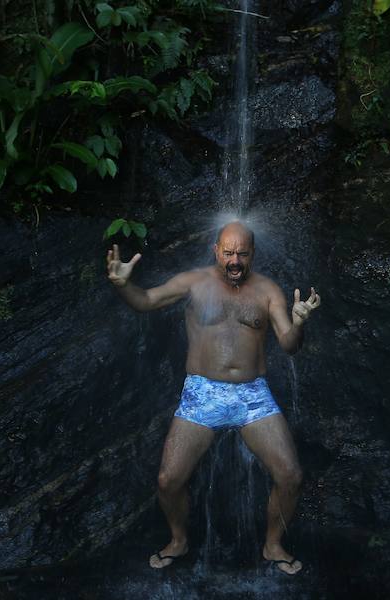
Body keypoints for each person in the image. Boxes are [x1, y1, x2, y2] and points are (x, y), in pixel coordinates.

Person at [106, 221, 321, 575]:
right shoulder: (194, 282)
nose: (235, 260)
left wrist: (298, 323)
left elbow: (289, 345)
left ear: (253, 253)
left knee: (291, 475)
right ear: (215, 250)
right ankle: (179, 540)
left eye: (243, 254)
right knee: (167, 480)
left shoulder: (268, 291)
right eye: (228, 252)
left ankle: (272, 544)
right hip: (202, 392)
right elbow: (145, 301)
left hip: (252, 396)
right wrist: (123, 285)